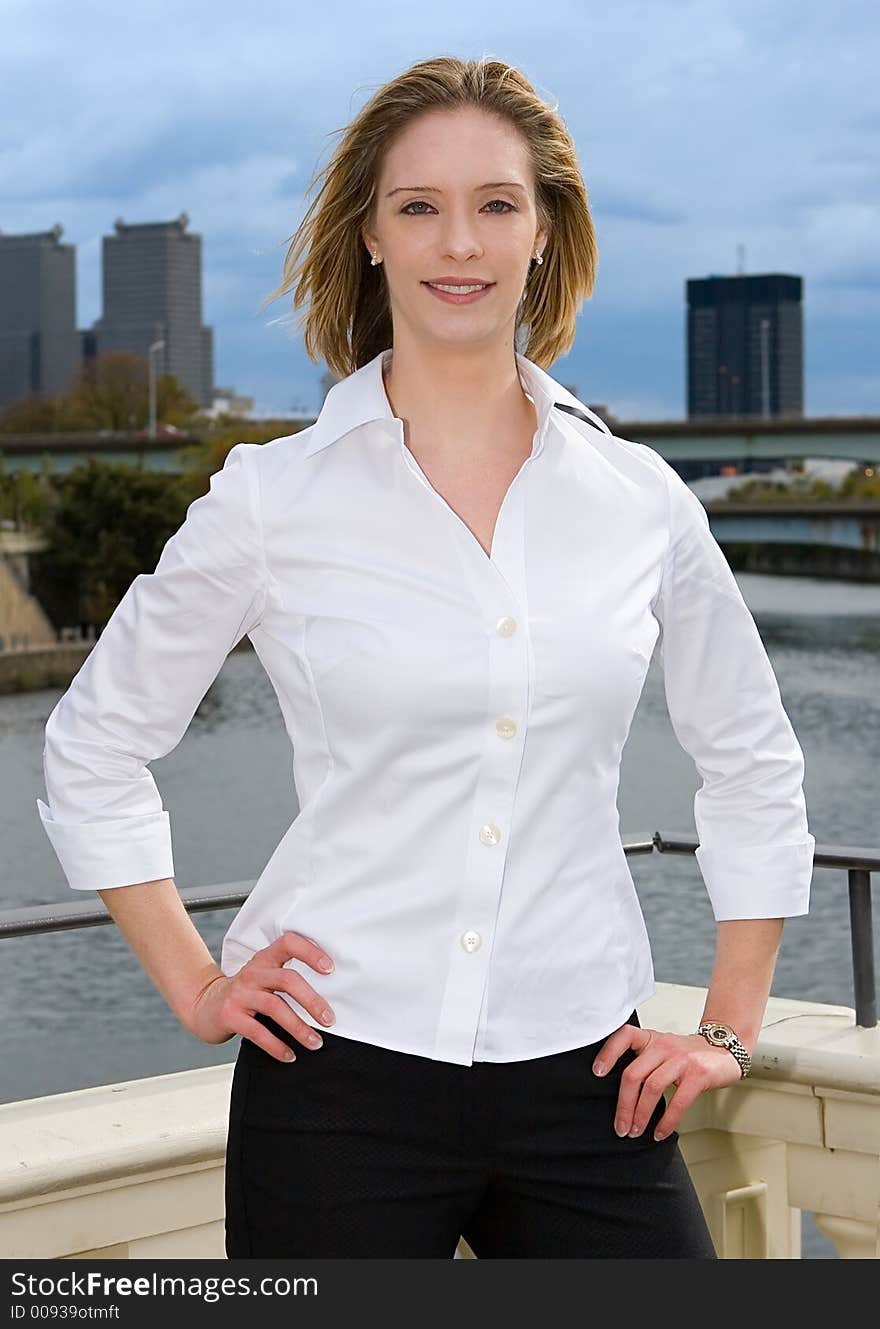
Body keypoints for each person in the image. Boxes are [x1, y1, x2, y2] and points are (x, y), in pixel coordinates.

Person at [36, 56, 815, 1260]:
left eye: (497, 203)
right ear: (371, 235)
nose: (461, 241)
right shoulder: (270, 499)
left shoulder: (639, 499)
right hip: (335, 1087)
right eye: (420, 206)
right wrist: (195, 982)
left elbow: (753, 763)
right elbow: (94, 744)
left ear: (546, 232)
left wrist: (725, 1029)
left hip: (591, 1082)